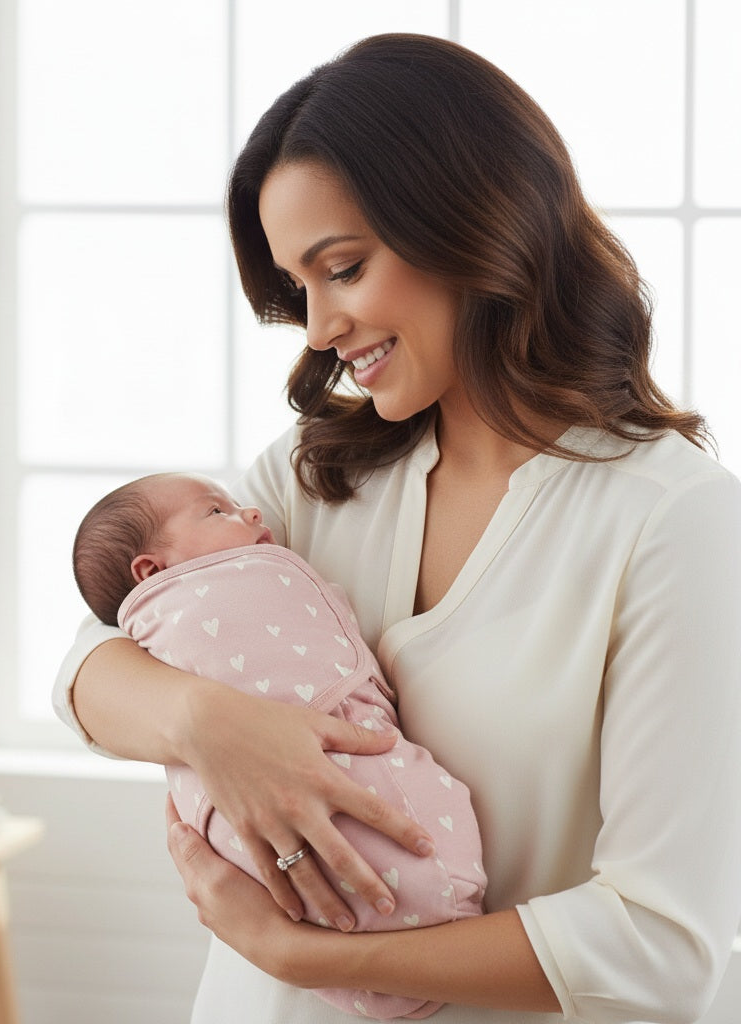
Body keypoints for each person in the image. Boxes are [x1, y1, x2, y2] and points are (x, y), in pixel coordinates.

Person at [53, 32, 741, 1024]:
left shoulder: (672, 523)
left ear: (474, 222)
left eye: (342, 268)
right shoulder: (315, 475)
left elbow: (661, 943)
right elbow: (91, 657)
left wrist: (292, 949)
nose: (320, 327)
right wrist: (211, 724)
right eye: (299, 288)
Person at [72, 471, 487, 1018]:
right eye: (218, 512)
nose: (250, 515)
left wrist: (294, 954)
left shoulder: (633, 511)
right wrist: (205, 720)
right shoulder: (314, 464)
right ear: (152, 572)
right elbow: (84, 669)